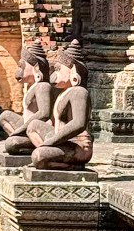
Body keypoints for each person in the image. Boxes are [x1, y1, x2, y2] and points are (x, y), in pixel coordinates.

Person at [26, 40, 93, 170]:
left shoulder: (79, 92)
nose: (54, 75)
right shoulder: (65, 92)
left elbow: (79, 124)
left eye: (58, 69)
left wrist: (50, 142)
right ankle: (47, 158)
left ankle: (71, 166)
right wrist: (51, 141)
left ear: (73, 71)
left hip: (78, 146)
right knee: (33, 126)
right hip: (63, 141)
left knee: (38, 155)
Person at [0, 40, 54, 155]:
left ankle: (36, 147)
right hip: (27, 127)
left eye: (22, 67)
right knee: (4, 116)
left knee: (12, 143)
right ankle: (25, 142)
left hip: (38, 130)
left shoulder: (43, 86)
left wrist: (21, 129)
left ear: (36, 68)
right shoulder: (32, 87)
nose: (18, 71)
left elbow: (44, 113)